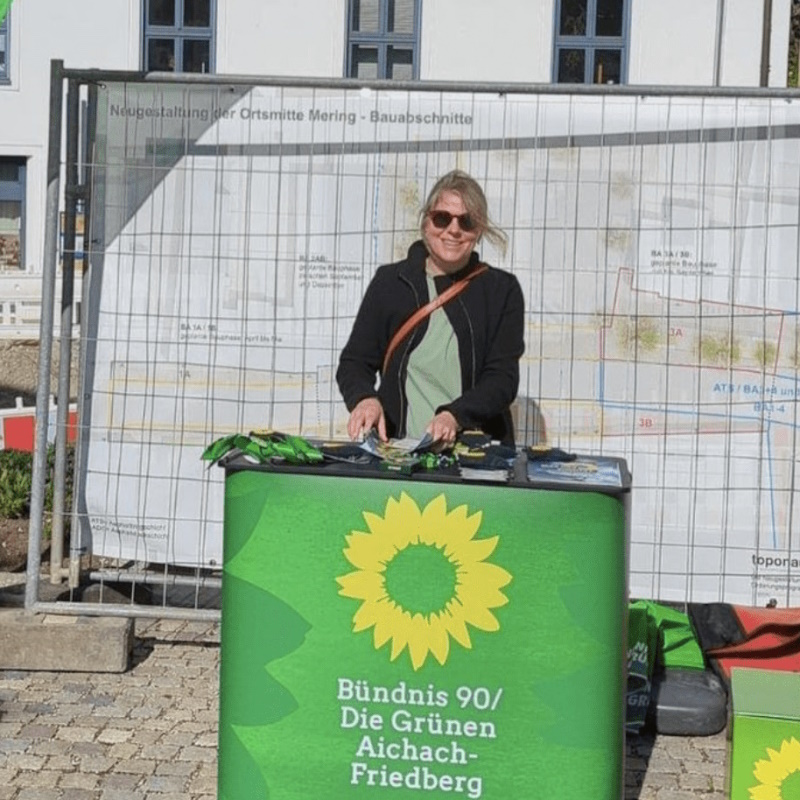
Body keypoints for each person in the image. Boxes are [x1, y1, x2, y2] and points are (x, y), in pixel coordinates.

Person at [336, 169, 525, 447]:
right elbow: (355, 362)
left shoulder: (502, 291)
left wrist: (454, 416)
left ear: (479, 230)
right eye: (442, 218)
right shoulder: (389, 282)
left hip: (475, 458)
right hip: (400, 452)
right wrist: (364, 399)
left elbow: (502, 379)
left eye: (467, 221)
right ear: (426, 222)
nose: (453, 229)